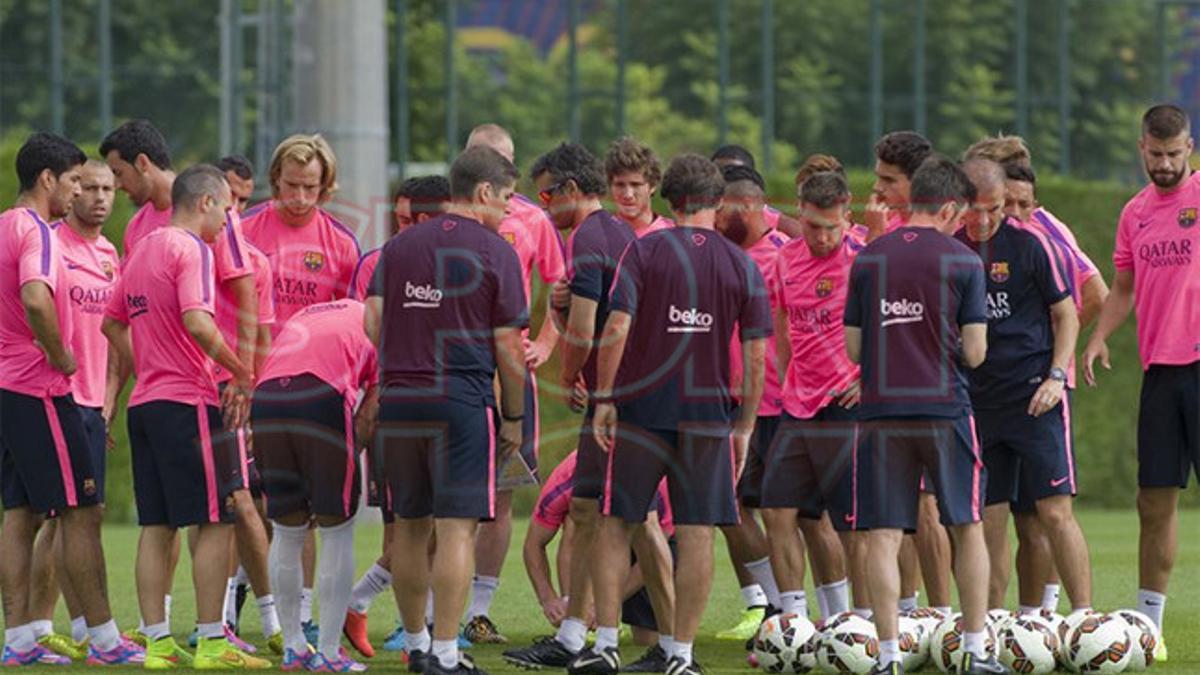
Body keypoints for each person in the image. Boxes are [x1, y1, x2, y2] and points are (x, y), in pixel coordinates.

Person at [577, 154, 771, 675]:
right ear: (717, 202)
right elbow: (756, 356)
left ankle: (604, 645)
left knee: (616, 522)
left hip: (643, 409)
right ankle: (681, 655)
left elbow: (615, 327)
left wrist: (605, 399)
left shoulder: (644, 251)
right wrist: (747, 426)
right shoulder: (741, 264)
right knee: (698, 530)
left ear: (668, 200)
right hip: (708, 415)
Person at [102, 118, 278, 653]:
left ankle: (156, 643)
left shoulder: (140, 250)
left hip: (146, 404)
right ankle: (211, 642)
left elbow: (112, 322)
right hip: (188, 401)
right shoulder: (192, 250)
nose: (230, 220)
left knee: (156, 525)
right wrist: (242, 370)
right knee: (214, 521)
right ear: (205, 202)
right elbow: (201, 323)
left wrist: (148, 359)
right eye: (226, 209)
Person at [365, 145, 527, 675]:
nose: (507, 210)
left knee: (410, 526)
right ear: (482, 193)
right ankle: (447, 653)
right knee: (457, 529)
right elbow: (508, 349)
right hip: (461, 400)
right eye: (505, 199)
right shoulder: (497, 251)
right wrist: (515, 418)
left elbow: (372, 321)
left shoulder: (400, 246)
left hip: (400, 400)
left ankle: (416, 647)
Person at [844, 155, 1001, 675]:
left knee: (884, 536)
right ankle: (975, 652)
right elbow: (976, 352)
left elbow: (853, 349)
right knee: (966, 525)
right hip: (944, 408)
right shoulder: (963, 261)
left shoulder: (869, 257)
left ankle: (887, 657)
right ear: (952, 206)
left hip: (882, 411)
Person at [0, 132, 140, 666]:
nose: (82, 190)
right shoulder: (36, 230)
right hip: (41, 386)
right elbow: (37, 297)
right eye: (75, 181)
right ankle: (103, 638)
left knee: (20, 512)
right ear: (48, 180)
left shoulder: (4, 226)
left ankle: (19, 642)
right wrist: (59, 355)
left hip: (11, 386)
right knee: (81, 511)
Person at [502, 143, 638, 670]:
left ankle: (601, 643)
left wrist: (571, 373)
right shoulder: (622, 232)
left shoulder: (587, 238)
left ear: (572, 192)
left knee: (612, 520)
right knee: (592, 514)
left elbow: (583, 327)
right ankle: (581, 637)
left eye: (546, 195)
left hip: (614, 397)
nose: (543, 207)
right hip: (629, 393)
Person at [1081, 104, 1200, 660]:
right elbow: (1123, 289)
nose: (1166, 165)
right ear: (1142, 149)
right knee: (1152, 501)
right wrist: (1100, 335)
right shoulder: (1134, 213)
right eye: (1156, 155)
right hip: (1160, 373)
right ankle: (1150, 631)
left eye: (1175, 154)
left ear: (1189, 148)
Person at [954, 159, 1093, 619]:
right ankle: (991, 627)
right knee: (987, 525)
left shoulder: (1032, 244)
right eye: (978, 209)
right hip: (978, 405)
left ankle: (1084, 621)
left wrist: (1057, 376)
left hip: (1035, 398)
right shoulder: (950, 248)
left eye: (996, 208)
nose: (988, 219)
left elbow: (1067, 314)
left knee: (1054, 514)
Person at [460, 124, 567, 645]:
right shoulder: (448, 212)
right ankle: (433, 614)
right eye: (486, 160)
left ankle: (477, 612)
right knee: (447, 497)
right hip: (453, 372)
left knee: (501, 496)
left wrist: (545, 344)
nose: (499, 173)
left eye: (506, 162)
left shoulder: (531, 219)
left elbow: (564, 289)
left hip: (507, 374)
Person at [343, 174, 450, 657]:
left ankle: (383, 611)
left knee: (437, 528)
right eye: (403, 219)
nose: (409, 228)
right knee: (408, 527)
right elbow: (362, 330)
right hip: (394, 404)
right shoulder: (379, 262)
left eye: (419, 219)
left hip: (446, 404)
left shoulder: (459, 260)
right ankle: (412, 635)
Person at [24, 160, 124, 661]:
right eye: (89, 187)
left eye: (109, 188)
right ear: (72, 190)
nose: (101, 197)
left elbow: (117, 334)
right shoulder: (50, 244)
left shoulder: (111, 253)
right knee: (59, 514)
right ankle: (47, 625)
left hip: (92, 403)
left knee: (81, 513)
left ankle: (75, 626)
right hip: (56, 394)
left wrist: (108, 399)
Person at [255, 299, 379, 672]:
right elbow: (370, 411)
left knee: (286, 530)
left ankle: (294, 647)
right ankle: (327, 652)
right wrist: (341, 464)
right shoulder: (379, 322)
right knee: (337, 528)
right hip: (320, 396)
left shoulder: (308, 312)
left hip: (266, 397)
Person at [765, 171, 865, 623]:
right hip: (797, 408)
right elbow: (784, 324)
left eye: (831, 226)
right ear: (799, 214)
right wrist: (788, 376)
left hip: (847, 407)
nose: (822, 237)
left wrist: (870, 378)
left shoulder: (865, 258)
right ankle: (794, 622)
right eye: (812, 226)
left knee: (853, 524)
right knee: (777, 510)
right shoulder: (786, 259)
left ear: (848, 215)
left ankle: (857, 622)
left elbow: (892, 325)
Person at [868, 130, 949, 615]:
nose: (876, 191)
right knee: (902, 512)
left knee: (929, 509)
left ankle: (943, 617)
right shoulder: (890, 231)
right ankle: (909, 610)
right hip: (891, 389)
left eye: (887, 181)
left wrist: (878, 243)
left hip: (932, 392)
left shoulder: (935, 236)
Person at [711, 164, 786, 639]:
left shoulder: (784, 252)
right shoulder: (721, 254)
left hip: (781, 404)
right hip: (731, 402)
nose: (714, 218)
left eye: (722, 209)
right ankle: (772, 605)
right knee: (732, 507)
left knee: (795, 514)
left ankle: (829, 612)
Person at [522, 449, 676, 672]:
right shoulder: (565, 482)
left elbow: (651, 558)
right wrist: (549, 599)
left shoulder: (654, 484)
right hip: (604, 541)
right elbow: (534, 544)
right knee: (579, 522)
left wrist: (599, 606)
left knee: (647, 637)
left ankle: (671, 651)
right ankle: (574, 624)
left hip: (653, 536)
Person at [243, 133, 361, 330]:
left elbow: (351, 320)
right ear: (277, 178)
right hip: (251, 357)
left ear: (324, 185)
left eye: (309, 187)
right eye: (291, 185)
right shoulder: (242, 230)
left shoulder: (343, 243)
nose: (300, 197)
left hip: (310, 358)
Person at [711, 144, 800, 238]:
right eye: (718, 173)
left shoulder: (786, 228)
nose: (724, 179)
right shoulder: (702, 218)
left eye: (735, 173)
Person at [606, 137, 673, 237]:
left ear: (652, 185)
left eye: (636, 185)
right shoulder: (597, 237)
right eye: (620, 185)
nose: (628, 195)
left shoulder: (675, 237)